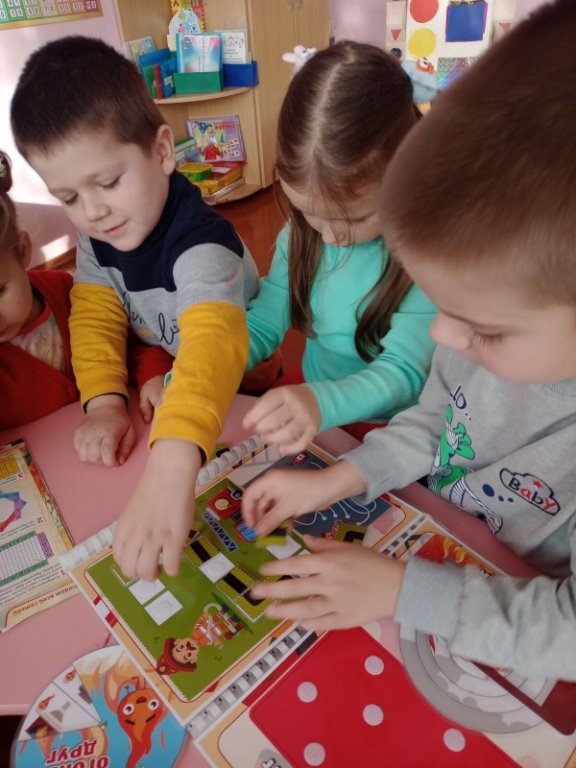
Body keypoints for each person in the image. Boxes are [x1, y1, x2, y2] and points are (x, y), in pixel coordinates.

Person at [241, 0, 576, 680]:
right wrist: (338, 480)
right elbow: (433, 419)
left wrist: (404, 592)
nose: (442, 336)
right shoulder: (477, 328)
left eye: (482, 327)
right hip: (439, 540)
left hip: (499, 629)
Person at [10, 36, 259, 580]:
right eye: (69, 198)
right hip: (179, 398)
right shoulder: (100, 240)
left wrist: (171, 464)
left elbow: (213, 344)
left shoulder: (203, 243)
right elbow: (95, 317)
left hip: (249, 393)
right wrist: (103, 401)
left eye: (107, 183)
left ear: (163, 152)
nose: (93, 212)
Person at [243, 41, 437, 454]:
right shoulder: (300, 235)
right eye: (308, 212)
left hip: (396, 422)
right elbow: (264, 320)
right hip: (315, 396)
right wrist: (201, 372)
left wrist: (322, 402)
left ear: (406, 177)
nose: (330, 237)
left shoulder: (425, 256)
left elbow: (404, 372)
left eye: (354, 219)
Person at [0, 149, 172, 430]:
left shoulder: (70, 291)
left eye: (0, 291)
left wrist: (153, 374)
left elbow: (134, 340)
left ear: (22, 251)